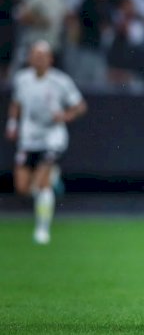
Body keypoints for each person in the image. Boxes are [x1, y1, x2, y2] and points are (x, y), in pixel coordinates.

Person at [5, 40, 87, 244]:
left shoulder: (60, 81)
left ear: (50, 59)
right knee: (23, 187)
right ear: (30, 58)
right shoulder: (22, 79)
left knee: (41, 183)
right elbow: (16, 103)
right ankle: (54, 182)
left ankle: (42, 229)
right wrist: (12, 124)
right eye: (35, 55)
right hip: (28, 137)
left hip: (52, 137)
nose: (38, 60)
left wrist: (66, 116)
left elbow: (80, 106)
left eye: (42, 56)